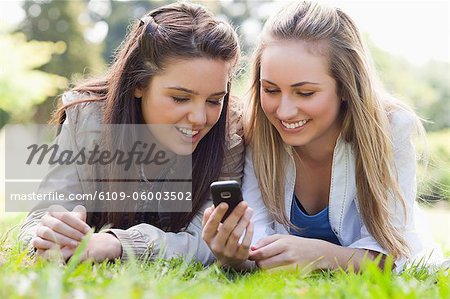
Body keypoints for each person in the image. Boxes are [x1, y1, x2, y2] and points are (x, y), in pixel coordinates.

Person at [202, 0, 442, 272]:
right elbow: (257, 238)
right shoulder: (258, 127)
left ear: (345, 87)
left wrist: (325, 255)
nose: (284, 111)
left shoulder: (390, 128)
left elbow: (394, 251)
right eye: (271, 90)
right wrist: (236, 255)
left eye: (305, 93)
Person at [19, 1, 245, 265]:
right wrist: (52, 233)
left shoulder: (228, 132)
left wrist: (119, 244)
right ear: (139, 83)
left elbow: (210, 242)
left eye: (214, 100)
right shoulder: (88, 119)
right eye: (180, 98)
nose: (200, 118)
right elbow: (37, 223)